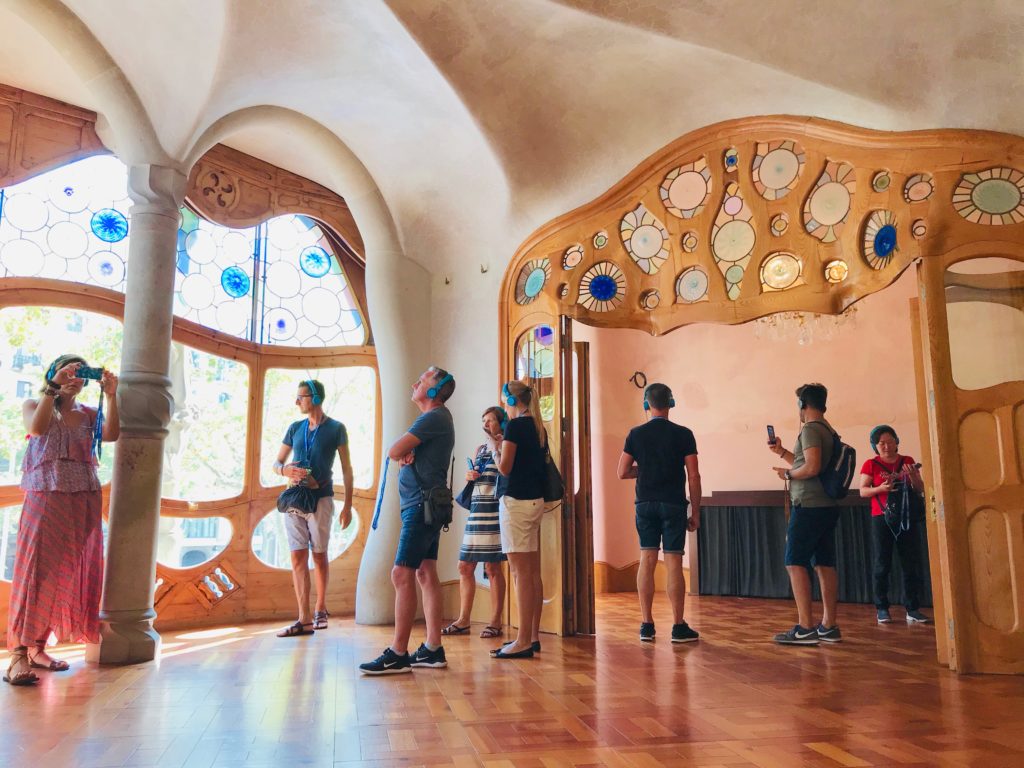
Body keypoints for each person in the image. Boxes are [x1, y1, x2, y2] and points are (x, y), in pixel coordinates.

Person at [5, 355, 119, 686]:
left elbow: (111, 434)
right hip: (46, 494)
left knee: (66, 572)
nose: (76, 376)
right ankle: (18, 655)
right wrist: (54, 390)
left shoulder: (87, 414)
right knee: (36, 571)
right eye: (69, 369)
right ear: (54, 373)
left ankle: (39, 647)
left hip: (83, 496)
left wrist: (111, 394)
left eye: (81, 371)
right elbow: (36, 428)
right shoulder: (35, 404)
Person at [360, 367, 455, 674]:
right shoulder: (436, 419)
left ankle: (398, 653)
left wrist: (404, 451)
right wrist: (405, 452)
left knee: (402, 574)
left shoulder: (433, 417)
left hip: (420, 506)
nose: (415, 382)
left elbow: (394, 449)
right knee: (426, 573)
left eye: (423, 380)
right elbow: (401, 452)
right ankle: (432, 648)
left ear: (433, 390)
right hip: (426, 504)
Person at [616, 383, 701, 643]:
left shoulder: (635, 433)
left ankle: (646, 625)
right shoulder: (684, 434)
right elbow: (694, 476)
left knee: (647, 559)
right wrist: (695, 511)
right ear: (671, 403)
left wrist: (645, 470)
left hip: (645, 504)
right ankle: (678, 627)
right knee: (673, 561)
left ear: (646, 404)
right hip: (673, 503)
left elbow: (622, 472)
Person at [271, 379, 353, 637]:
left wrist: (348, 505)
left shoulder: (337, 428)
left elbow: (347, 469)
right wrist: (285, 470)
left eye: (302, 397)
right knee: (297, 556)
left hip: (322, 498)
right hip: (294, 498)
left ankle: (320, 608)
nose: (297, 402)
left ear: (316, 398)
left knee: (318, 555)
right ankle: (303, 618)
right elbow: (276, 463)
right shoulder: (294, 428)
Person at [768, 382, 842, 646]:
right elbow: (812, 465)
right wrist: (783, 453)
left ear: (803, 405)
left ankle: (805, 627)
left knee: (794, 561)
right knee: (824, 562)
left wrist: (788, 474)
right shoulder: (827, 429)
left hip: (808, 506)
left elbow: (809, 468)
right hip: (826, 506)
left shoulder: (810, 429)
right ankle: (828, 625)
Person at [490, 380, 546, 659]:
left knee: (519, 572)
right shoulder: (536, 425)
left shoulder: (514, 426)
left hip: (516, 503)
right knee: (532, 572)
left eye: (504, 400)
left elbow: (505, 468)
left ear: (511, 401)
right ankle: (532, 635)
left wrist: (495, 447)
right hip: (535, 501)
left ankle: (522, 640)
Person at [443, 406, 508, 640]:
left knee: (493, 567)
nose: (486, 425)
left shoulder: (506, 446)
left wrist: (497, 447)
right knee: (464, 565)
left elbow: (506, 472)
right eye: (484, 421)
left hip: (495, 512)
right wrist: (469, 476)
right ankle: (463, 620)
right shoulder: (480, 449)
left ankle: (495, 622)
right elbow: (476, 475)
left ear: (502, 422)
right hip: (477, 510)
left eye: (491, 420)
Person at [860, 425, 931, 625]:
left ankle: (913, 608)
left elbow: (920, 489)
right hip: (881, 518)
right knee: (882, 563)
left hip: (906, 516)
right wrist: (881, 488)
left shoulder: (906, 461)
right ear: (875, 445)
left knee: (910, 563)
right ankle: (882, 608)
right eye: (881, 442)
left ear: (896, 442)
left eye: (890, 441)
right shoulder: (870, 464)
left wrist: (914, 476)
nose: (886, 446)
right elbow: (863, 491)